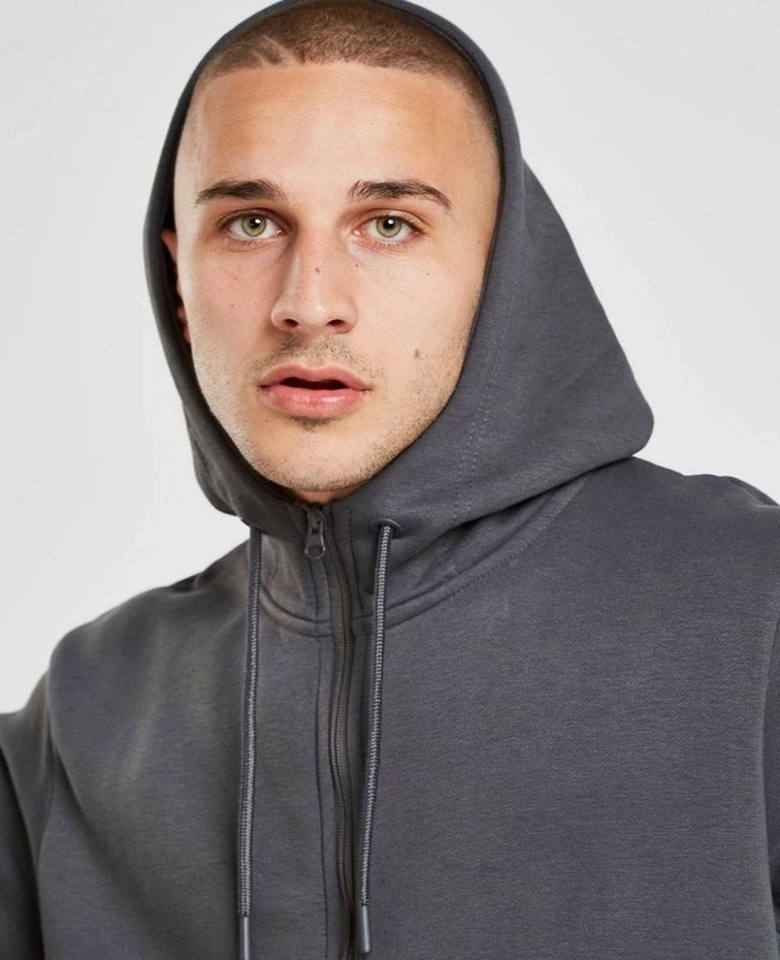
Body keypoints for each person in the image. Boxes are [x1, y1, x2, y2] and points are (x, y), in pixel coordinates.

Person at [2, 0, 778, 957]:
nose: (309, 302)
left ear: (501, 270)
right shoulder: (86, 716)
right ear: (179, 280)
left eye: (389, 224)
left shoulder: (757, 611)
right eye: (251, 223)